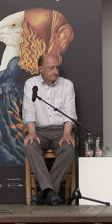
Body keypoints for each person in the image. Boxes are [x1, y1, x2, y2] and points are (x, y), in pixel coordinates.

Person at [22, 53, 77, 206]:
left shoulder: (67, 85)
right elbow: (29, 110)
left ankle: (44, 192)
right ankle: (51, 191)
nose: (56, 71)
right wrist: (32, 132)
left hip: (61, 130)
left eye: (57, 67)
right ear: (40, 69)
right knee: (30, 144)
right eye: (51, 68)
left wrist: (67, 133)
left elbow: (70, 112)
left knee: (69, 147)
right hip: (38, 130)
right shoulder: (30, 84)